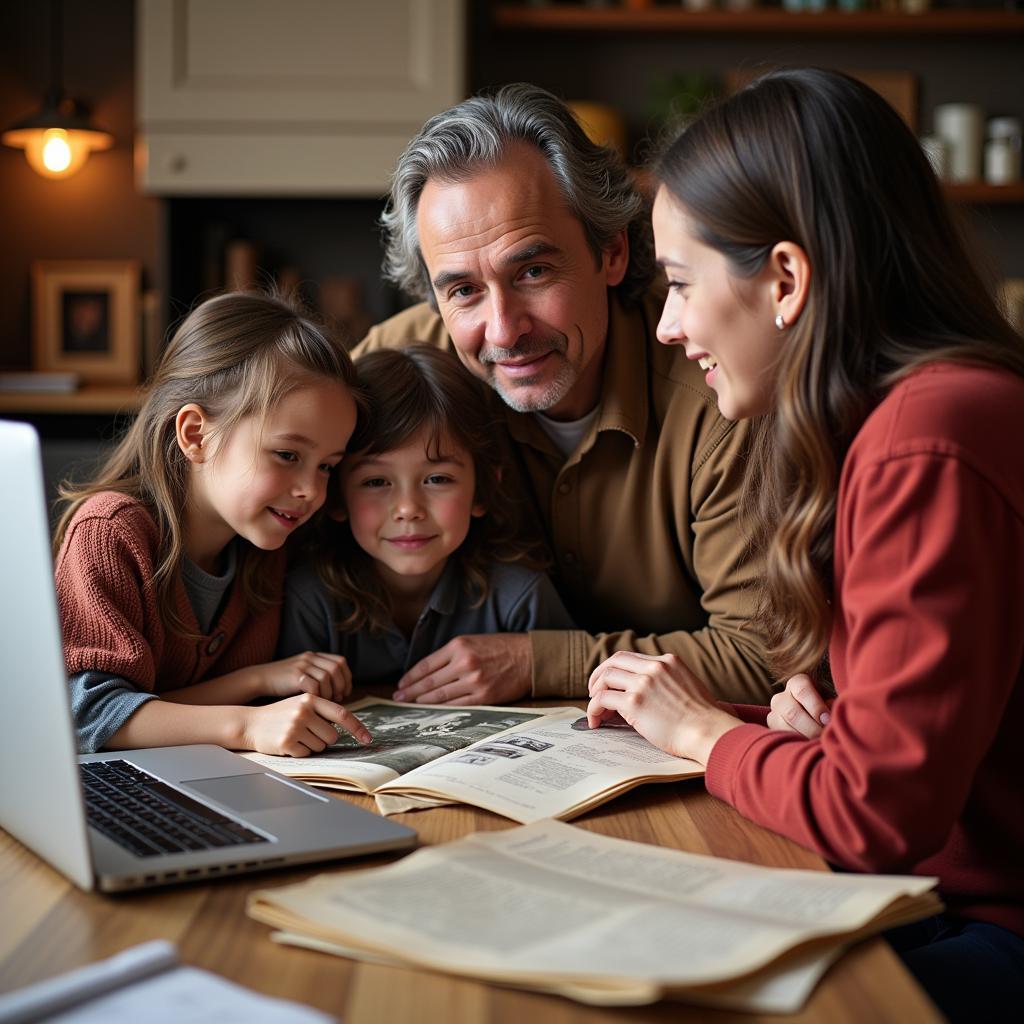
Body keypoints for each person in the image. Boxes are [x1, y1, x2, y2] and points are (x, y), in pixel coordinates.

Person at [584, 69, 1024, 1018]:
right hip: (939, 895)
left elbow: (872, 819)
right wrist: (779, 725)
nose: (666, 326)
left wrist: (702, 734)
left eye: (681, 284)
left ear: (785, 278)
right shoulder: (905, 421)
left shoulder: (928, 442)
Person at [356, 82, 773, 706]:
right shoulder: (396, 372)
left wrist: (538, 659)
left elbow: (759, 654)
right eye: (463, 291)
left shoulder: (719, 385)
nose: (504, 331)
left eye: (532, 272)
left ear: (611, 251)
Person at [55, 291, 373, 757]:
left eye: (326, 466)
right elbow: (87, 715)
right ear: (195, 435)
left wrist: (258, 679)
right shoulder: (109, 533)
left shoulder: (267, 547)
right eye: (287, 455)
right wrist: (246, 726)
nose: (311, 490)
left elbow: (155, 707)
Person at [278, 345, 575, 697]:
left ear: (481, 491)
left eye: (437, 479)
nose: (408, 509)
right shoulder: (310, 598)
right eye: (376, 482)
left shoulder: (519, 596)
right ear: (338, 497)